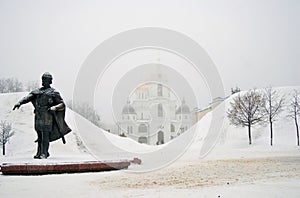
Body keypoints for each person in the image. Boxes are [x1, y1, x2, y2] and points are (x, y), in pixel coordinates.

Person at [13, 72, 71, 159]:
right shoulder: (38, 91)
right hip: (38, 115)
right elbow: (28, 98)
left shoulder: (53, 92)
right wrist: (19, 102)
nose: (43, 81)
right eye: (42, 79)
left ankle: (44, 153)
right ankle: (39, 152)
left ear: (50, 81)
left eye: (45, 80)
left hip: (47, 116)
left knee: (45, 135)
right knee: (39, 134)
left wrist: (54, 108)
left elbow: (62, 104)